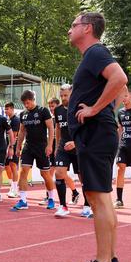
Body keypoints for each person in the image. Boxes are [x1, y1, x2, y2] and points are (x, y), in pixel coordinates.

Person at [66, 12, 127, 262]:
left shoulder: (95, 53)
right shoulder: (93, 56)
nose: (69, 29)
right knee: (100, 196)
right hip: (96, 132)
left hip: (95, 133)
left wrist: (94, 110)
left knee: (98, 197)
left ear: (87, 28)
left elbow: (120, 79)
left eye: (74, 25)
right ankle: (110, 259)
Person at [11, 90, 56, 211]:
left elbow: (51, 128)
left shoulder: (43, 111)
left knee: (45, 174)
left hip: (42, 146)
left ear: (32, 100)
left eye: (28, 102)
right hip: (28, 146)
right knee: (23, 171)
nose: (26, 105)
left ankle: (51, 198)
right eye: (24, 103)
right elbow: (21, 131)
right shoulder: (23, 114)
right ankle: (23, 200)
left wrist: (50, 145)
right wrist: (18, 146)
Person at [52, 84, 81, 217]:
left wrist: (76, 143)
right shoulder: (57, 110)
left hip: (79, 147)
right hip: (63, 147)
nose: (63, 98)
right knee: (59, 173)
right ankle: (63, 206)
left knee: (83, 177)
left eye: (66, 95)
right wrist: (57, 145)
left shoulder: (79, 107)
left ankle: (87, 206)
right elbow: (58, 128)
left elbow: (86, 129)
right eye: (61, 96)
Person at [4, 102, 21, 198]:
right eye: (5, 109)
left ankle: (15, 190)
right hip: (7, 145)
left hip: (13, 146)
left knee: (13, 166)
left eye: (7, 109)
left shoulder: (16, 120)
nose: (6, 111)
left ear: (12, 109)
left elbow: (14, 136)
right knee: (6, 166)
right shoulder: (8, 120)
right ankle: (12, 186)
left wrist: (10, 147)